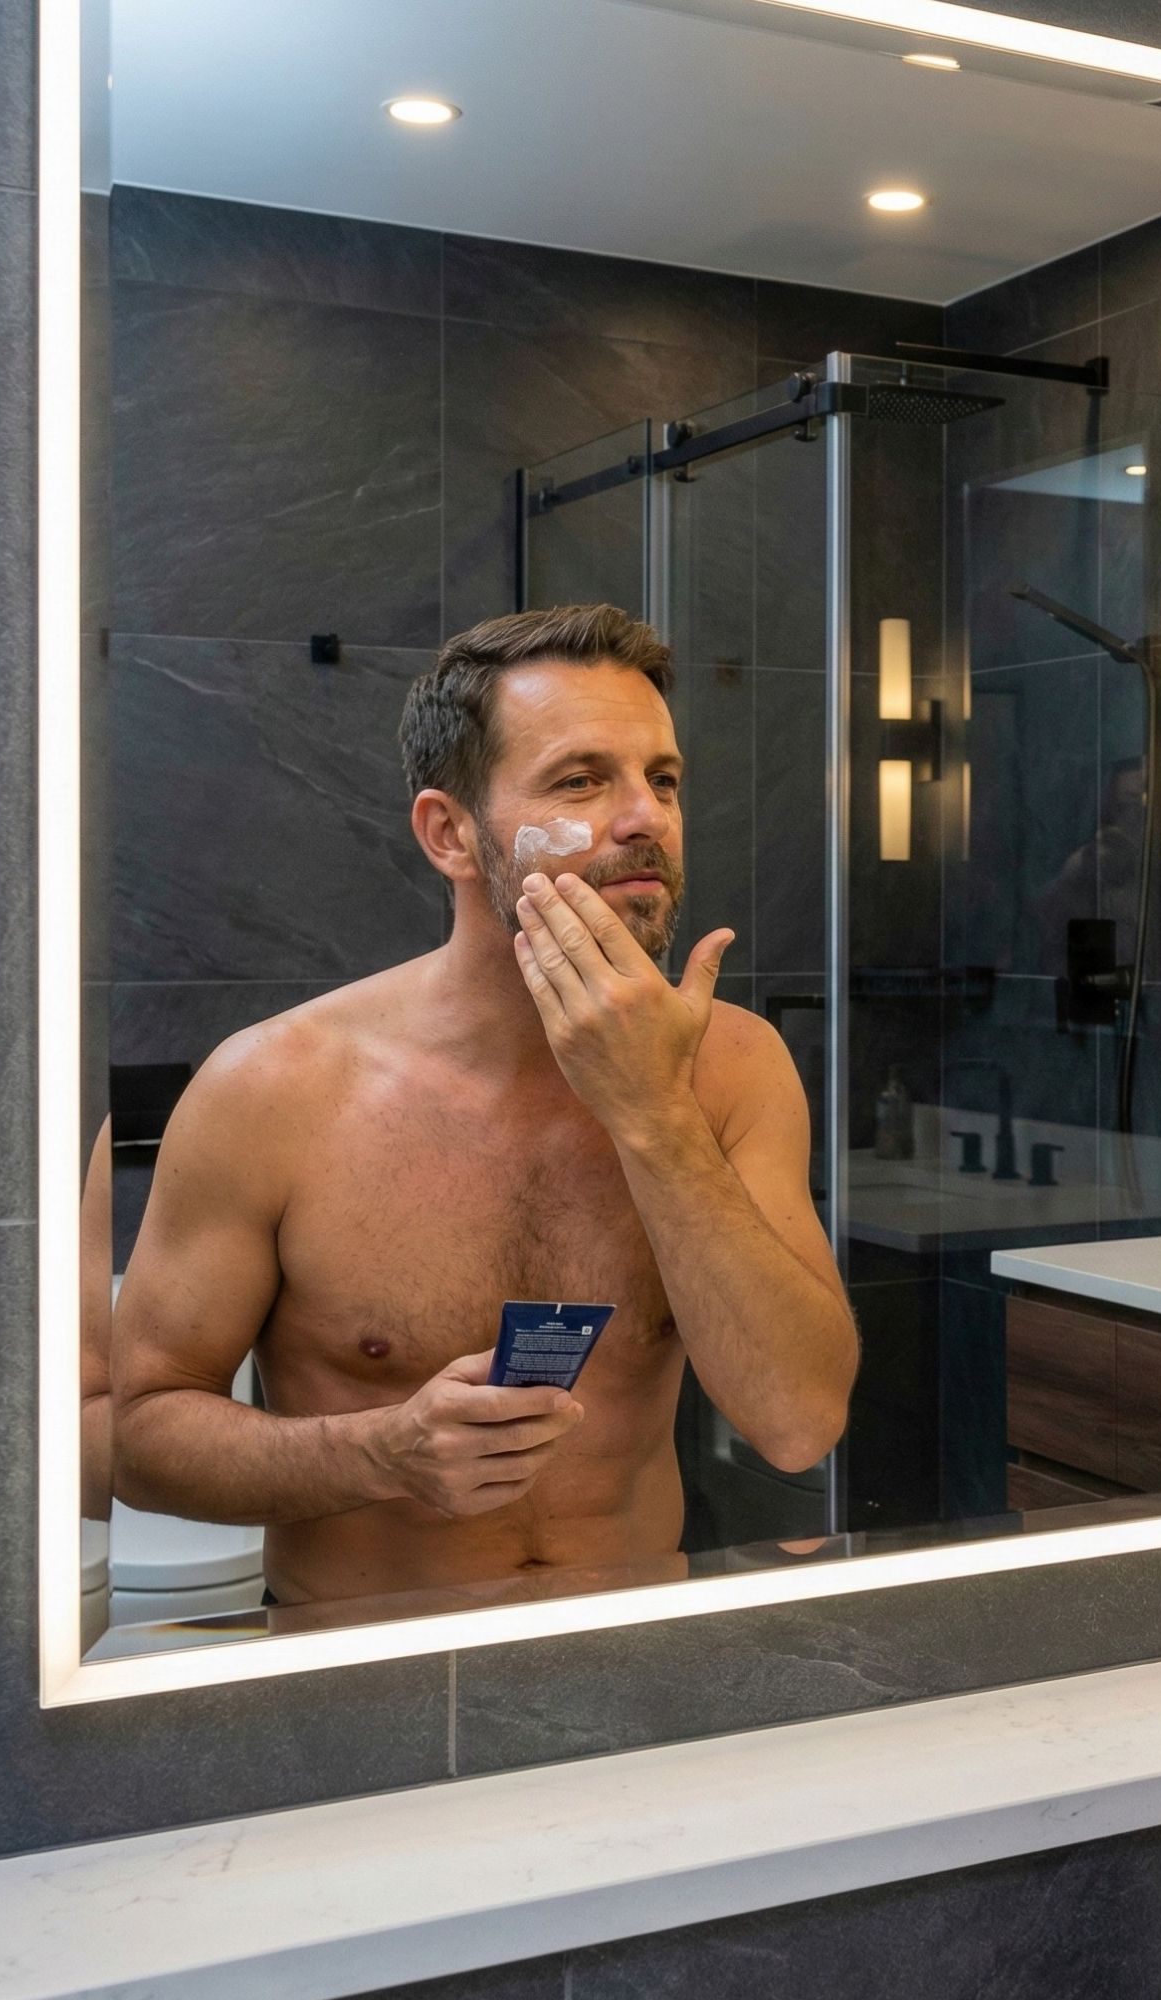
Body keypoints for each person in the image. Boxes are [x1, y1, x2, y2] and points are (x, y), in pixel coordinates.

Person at [111, 605, 858, 1606]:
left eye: (663, 778)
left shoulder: (730, 1069)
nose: (645, 816)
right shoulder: (273, 1089)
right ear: (450, 833)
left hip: (628, 1663)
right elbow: (139, 1432)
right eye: (581, 779)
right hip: (359, 1676)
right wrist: (382, 1450)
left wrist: (652, 1117)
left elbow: (798, 1421)